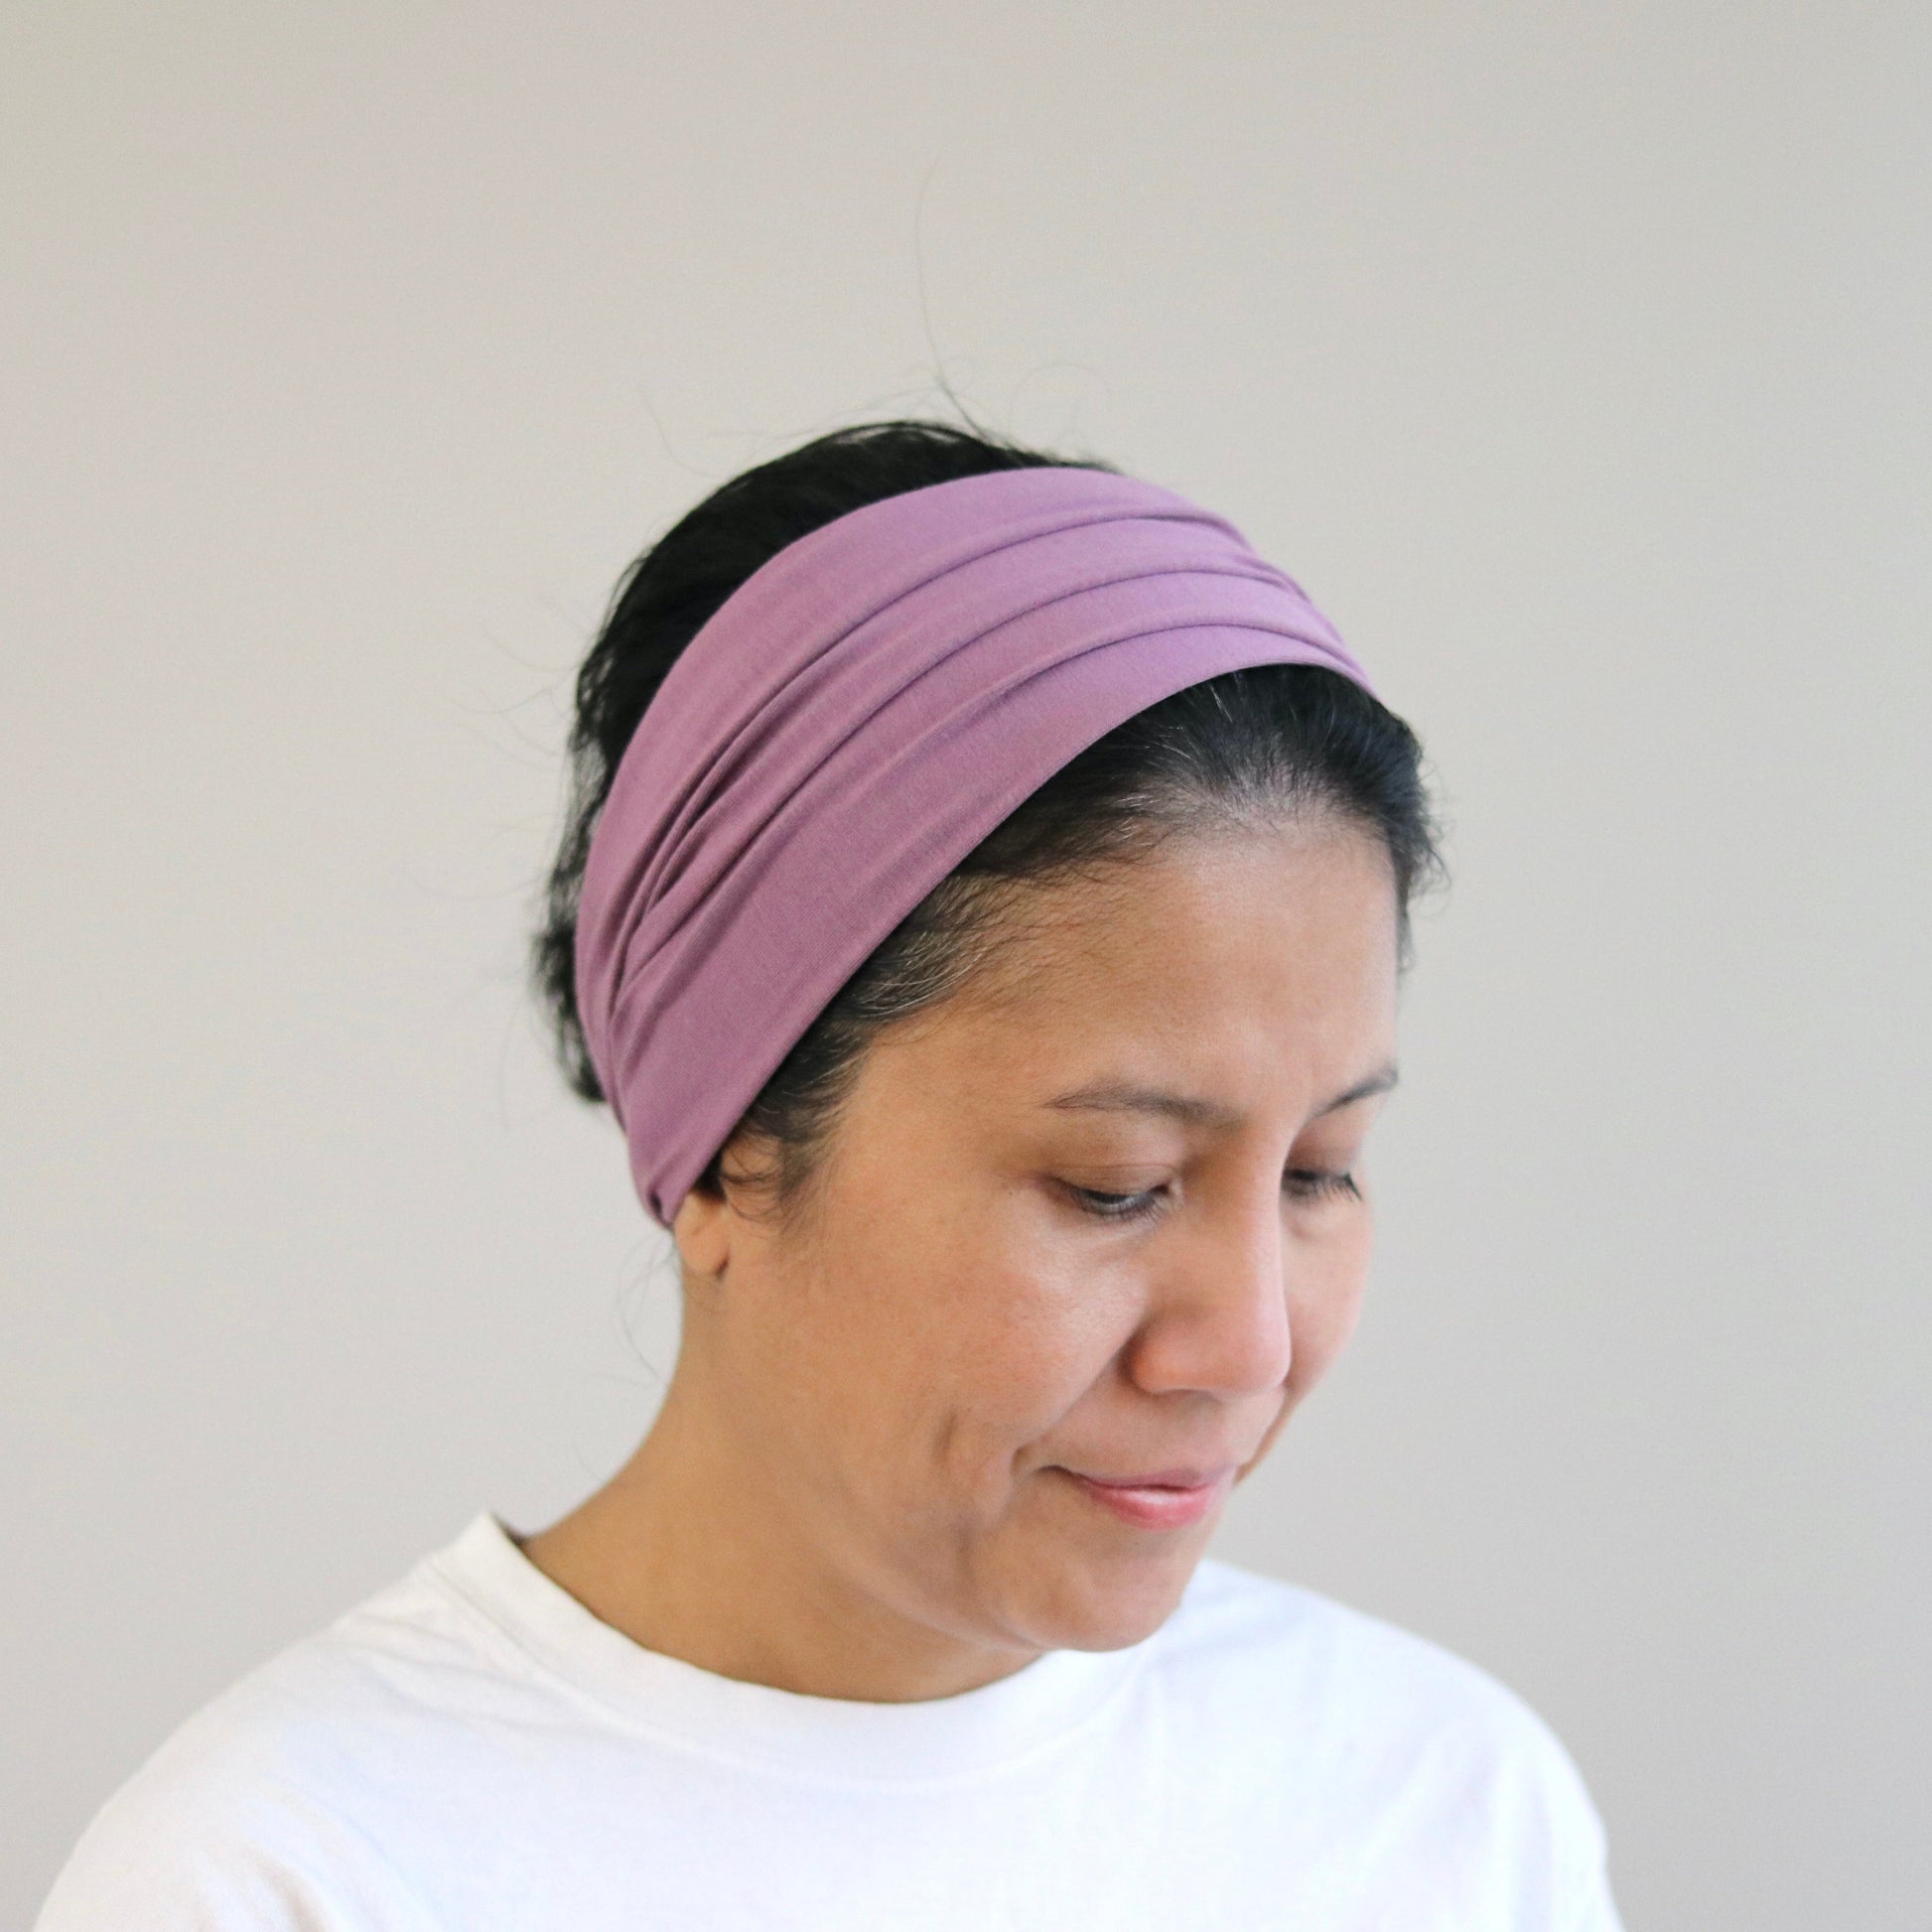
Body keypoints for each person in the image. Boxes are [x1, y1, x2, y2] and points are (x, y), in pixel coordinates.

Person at [37, 420, 1623, 1929]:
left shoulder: (1444, 1811)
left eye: (1320, 1169)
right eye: (1115, 1184)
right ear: (730, 1144)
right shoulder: (290, 1876)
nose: (1253, 1345)